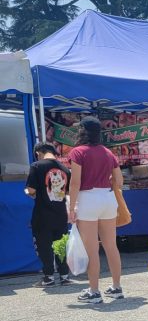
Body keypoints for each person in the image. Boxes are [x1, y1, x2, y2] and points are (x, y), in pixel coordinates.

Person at [67, 118, 124, 304]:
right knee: (111, 245)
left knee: (92, 249)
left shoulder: (78, 152)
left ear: (82, 130)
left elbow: (75, 183)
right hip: (107, 198)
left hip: (87, 199)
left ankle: (94, 291)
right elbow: (119, 181)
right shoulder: (108, 152)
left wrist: (71, 207)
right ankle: (116, 287)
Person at [25, 142, 71, 287]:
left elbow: (31, 190)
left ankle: (49, 277)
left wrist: (27, 192)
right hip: (61, 214)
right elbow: (67, 192)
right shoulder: (65, 169)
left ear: (38, 153)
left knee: (44, 245)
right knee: (61, 245)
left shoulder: (36, 166)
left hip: (42, 215)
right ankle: (64, 276)